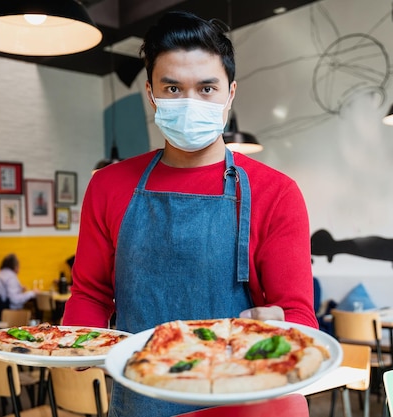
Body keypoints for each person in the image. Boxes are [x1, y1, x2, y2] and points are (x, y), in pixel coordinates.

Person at [63, 11, 317, 417]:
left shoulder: (277, 193)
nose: (190, 103)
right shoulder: (108, 186)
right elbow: (91, 294)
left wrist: (282, 324)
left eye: (206, 88)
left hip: (246, 402)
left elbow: (301, 315)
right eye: (172, 88)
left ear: (230, 94)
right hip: (141, 401)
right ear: (151, 94)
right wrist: (74, 343)